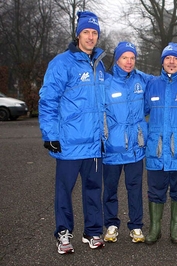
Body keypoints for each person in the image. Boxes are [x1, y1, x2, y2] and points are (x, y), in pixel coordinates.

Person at [38, 11, 105, 254]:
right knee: (64, 191)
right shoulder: (61, 63)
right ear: (78, 35)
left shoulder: (100, 64)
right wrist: (50, 134)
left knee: (93, 190)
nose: (90, 37)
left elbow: (104, 102)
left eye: (94, 32)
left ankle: (93, 231)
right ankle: (64, 234)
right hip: (69, 143)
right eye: (86, 32)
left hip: (94, 145)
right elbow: (48, 100)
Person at [143, 42, 177, 245]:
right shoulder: (152, 84)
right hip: (156, 149)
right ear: (162, 62)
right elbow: (142, 110)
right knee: (155, 190)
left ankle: (175, 227)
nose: (171, 62)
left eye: (175, 58)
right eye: (168, 58)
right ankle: (155, 228)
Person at [102, 42, 151, 244]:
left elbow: (162, 83)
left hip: (135, 148)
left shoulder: (141, 80)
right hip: (113, 148)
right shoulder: (105, 82)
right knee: (110, 188)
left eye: (132, 58)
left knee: (135, 188)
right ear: (117, 59)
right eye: (125, 57)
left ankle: (136, 226)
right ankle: (111, 224)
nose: (129, 62)